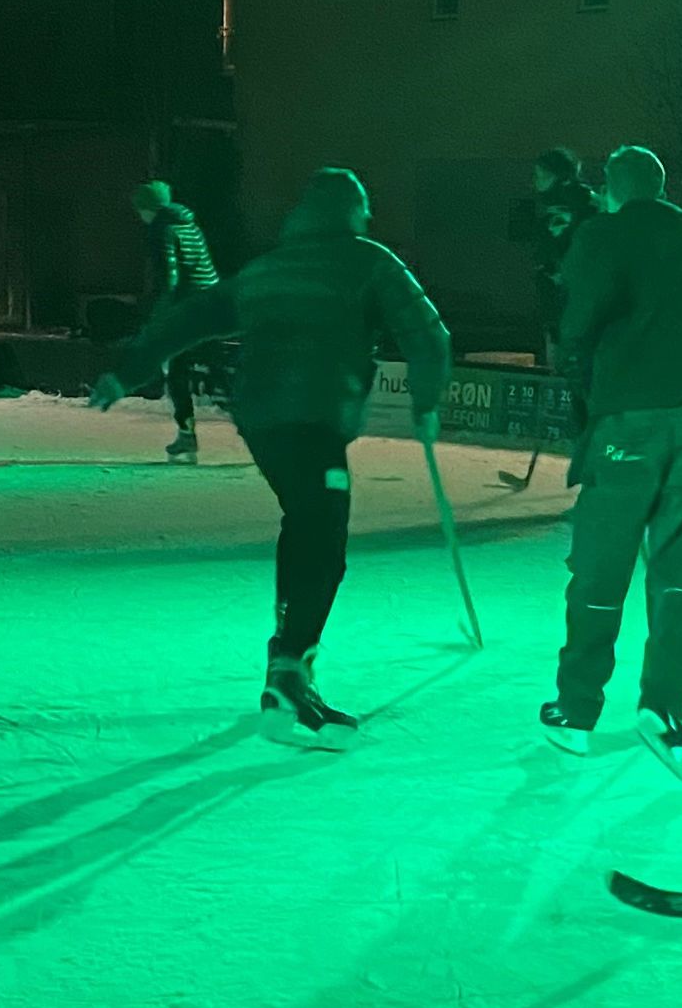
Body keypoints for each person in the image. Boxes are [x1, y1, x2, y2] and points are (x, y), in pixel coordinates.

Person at [89, 165, 451, 747]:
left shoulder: (268, 268)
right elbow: (430, 335)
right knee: (324, 540)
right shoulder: (369, 260)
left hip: (261, 419)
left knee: (306, 523)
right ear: (353, 210)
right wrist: (428, 402)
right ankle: (288, 678)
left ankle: (287, 667)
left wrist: (123, 373)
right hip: (313, 418)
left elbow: (187, 320)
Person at [537, 145, 682, 776]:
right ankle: (666, 706)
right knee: (681, 570)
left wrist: (581, 379)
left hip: (629, 421)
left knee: (602, 563)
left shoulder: (603, 233)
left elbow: (579, 322)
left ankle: (577, 706)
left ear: (613, 191)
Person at [131, 174, 220, 459]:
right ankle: (188, 433)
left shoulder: (162, 228)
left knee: (176, 369)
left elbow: (169, 276)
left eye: (140, 209)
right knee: (202, 368)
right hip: (210, 303)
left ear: (149, 208)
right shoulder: (189, 224)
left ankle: (187, 435)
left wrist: (160, 315)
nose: (139, 215)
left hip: (186, 307)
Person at [508, 147, 598, 367]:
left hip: (566, 302)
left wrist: (555, 271)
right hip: (564, 302)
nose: (535, 182)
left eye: (540, 176)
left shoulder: (567, 212)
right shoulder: (583, 206)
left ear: (556, 176)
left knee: (563, 364)